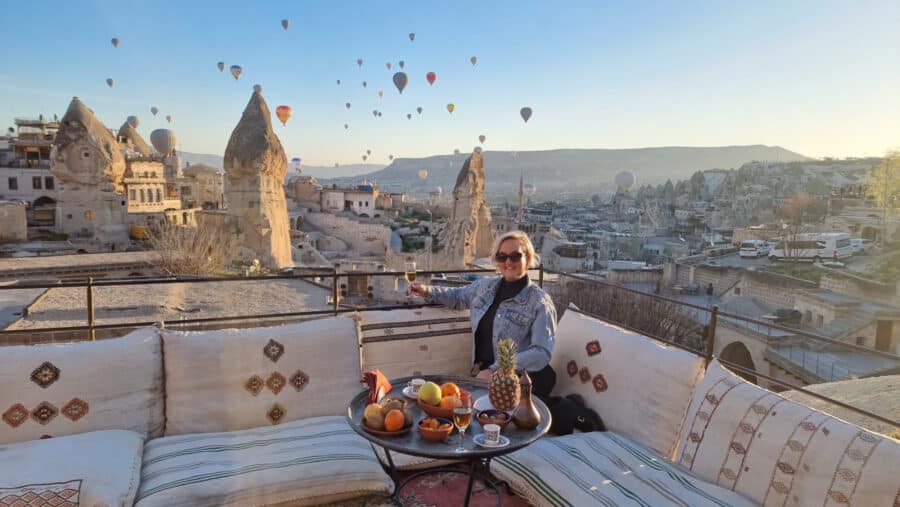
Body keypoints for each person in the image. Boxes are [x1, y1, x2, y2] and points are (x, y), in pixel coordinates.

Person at [409, 230, 557, 398]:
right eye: (502, 257)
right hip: (481, 377)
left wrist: (496, 369)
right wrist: (427, 291)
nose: (508, 262)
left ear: (528, 258)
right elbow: (458, 297)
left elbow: (541, 352)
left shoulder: (540, 302)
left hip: (513, 384)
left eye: (515, 256)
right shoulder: (485, 287)